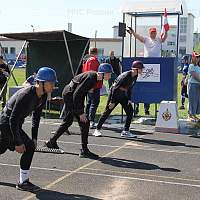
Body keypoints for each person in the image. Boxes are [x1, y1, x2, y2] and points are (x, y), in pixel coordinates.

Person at [0, 67, 57, 191]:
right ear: (41, 83)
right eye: (51, 82)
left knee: (2, 148)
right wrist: (18, 142)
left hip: (14, 123)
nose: (53, 85)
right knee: (27, 147)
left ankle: (23, 181)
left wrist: (34, 138)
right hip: (6, 122)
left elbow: (36, 118)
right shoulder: (25, 94)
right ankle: (23, 182)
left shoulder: (42, 96)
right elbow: (12, 119)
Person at [45, 63, 113, 158]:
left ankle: (51, 142)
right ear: (102, 73)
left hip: (70, 94)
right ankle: (84, 150)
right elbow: (76, 94)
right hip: (70, 95)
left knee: (68, 121)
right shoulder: (91, 78)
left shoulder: (94, 77)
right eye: (109, 74)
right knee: (85, 122)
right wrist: (81, 113)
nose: (110, 76)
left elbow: (80, 91)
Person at [93, 60, 144, 138]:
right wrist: (112, 101)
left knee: (130, 111)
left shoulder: (135, 76)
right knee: (107, 111)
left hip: (122, 95)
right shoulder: (126, 75)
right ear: (135, 69)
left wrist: (129, 99)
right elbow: (115, 88)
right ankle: (97, 130)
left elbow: (129, 88)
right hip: (114, 94)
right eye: (141, 68)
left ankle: (125, 131)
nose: (142, 70)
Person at [127, 26, 168, 115]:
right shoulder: (146, 39)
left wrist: (166, 30)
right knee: (141, 86)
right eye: (152, 32)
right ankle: (137, 106)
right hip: (146, 65)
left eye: (154, 32)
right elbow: (139, 37)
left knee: (152, 87)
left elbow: (164, 38)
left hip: (157, 65)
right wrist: (133, 32)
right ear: (149, 33)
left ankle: (147, 108)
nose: (153, 33)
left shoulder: (158, 39)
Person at [82, 47, 101, 129]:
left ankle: (87, 119)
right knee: (94, 102)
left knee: (90, 102)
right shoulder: (93, 60)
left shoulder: (87, 60)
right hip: (93, 85)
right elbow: (91, 74)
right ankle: (91, 120)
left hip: (90, 85)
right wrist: (91, 86)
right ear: (96, 52)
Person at [188, 51, 200, 122]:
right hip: (193, 85)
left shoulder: (198, 67)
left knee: (197, 100)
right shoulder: (191, 66)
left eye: (198, 57)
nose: (198, 58)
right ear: (193, 58)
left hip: (198, 85)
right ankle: (191, 115)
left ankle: (194, 115)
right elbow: (195, 76)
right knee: (192, 100)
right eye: (196, 57)